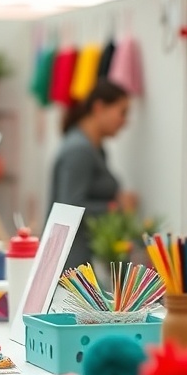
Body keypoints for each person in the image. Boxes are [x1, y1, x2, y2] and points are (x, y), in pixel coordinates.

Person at [50, 80, 137, 271]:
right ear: (99, 108)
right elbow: (69, 206)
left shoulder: (96, 149)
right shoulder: (78, 151)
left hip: (85, 259)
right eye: (122, 112)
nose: (125, 121)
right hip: (72, 264)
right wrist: (117, 207)